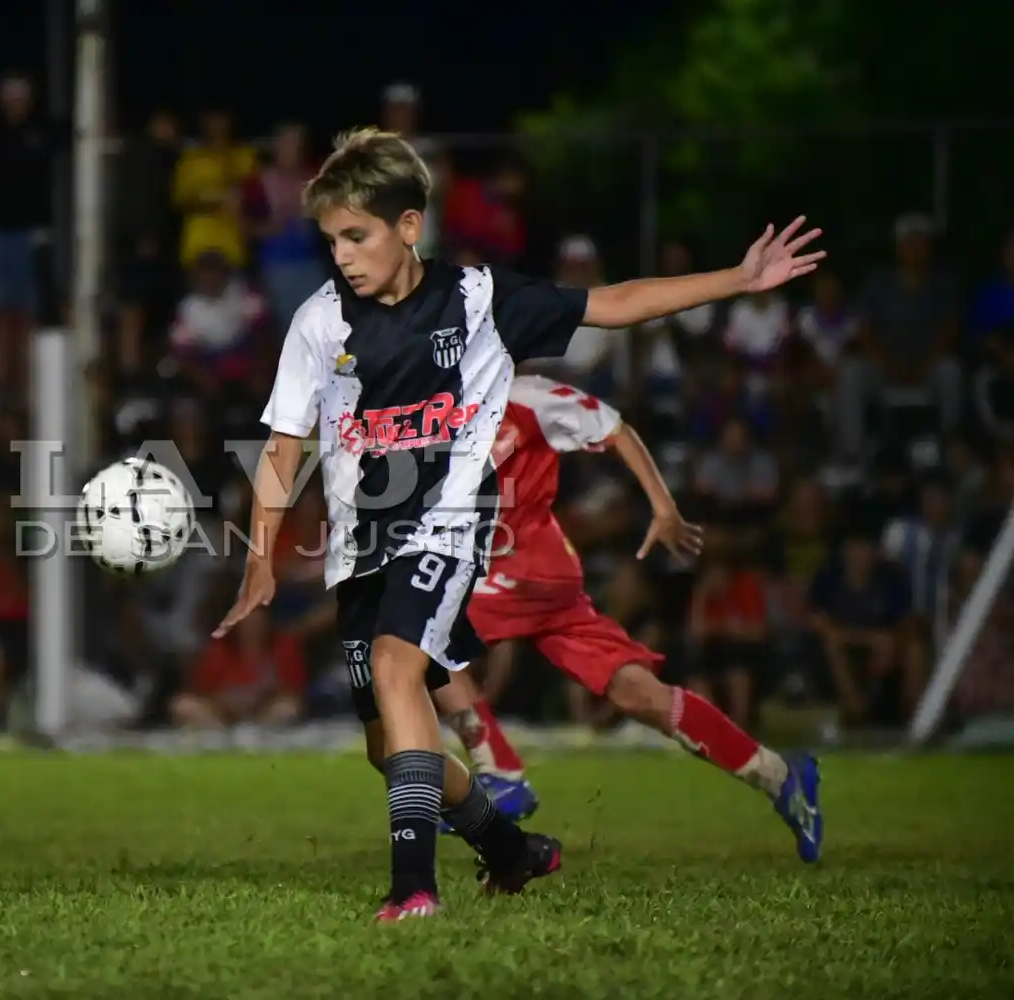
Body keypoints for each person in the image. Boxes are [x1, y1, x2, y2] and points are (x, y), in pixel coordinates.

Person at [213, 127, 824, 921]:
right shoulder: (319, 322)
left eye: (357, 235)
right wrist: (260, 556)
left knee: (401, 670)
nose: (342, 255)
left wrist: (736, 280)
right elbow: (284, 446)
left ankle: (414, 890)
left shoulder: (478, 300)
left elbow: (614, 304)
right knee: (391, 743)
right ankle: (510, 847)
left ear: (408, 226)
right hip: (361, 549)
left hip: (450, 529)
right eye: (331, 240)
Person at [468, 375, 823, 863]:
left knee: (413, 634)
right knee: (640, 694)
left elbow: (613, 426)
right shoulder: (424, 400)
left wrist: (663, 507)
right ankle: (780, 775)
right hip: (519, 575)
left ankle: (501, 773)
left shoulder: (524, 396)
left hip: (524, 566)